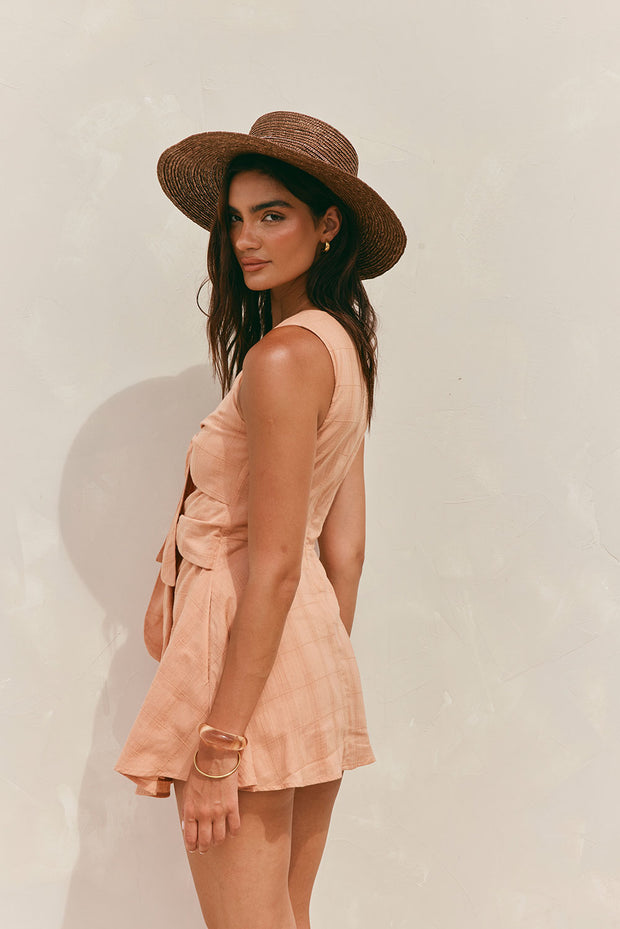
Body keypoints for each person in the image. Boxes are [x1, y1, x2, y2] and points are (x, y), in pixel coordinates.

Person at [114, 110, 406, 929]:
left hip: (244, 665)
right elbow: (344, 551)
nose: (246, 238)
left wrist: (222, 741)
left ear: (328, 224)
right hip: (302, 654)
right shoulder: (340, 346)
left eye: (272, 215)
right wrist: (310, 678)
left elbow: (277, 562)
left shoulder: (282, 358)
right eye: (237, 218)